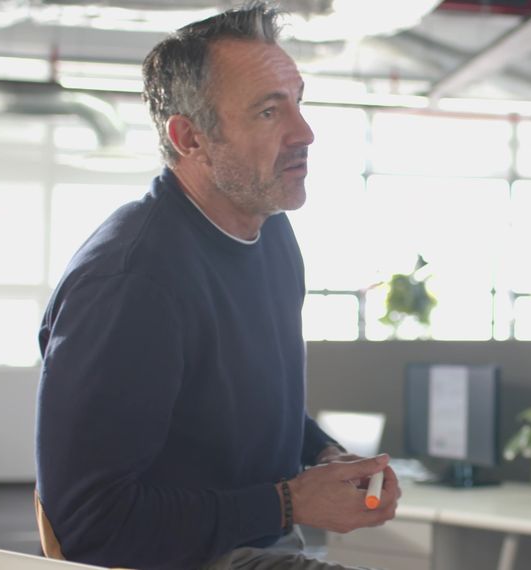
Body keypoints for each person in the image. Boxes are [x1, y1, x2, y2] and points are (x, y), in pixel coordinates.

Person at [35, 3, 400, 568]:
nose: (305, 132)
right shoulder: (133, 284)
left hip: (259, 537)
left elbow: (253, 406)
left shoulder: (270, 233)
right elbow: (92, 525)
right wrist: (289, 502)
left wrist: (325, 456)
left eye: (297, 102)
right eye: (268, 112)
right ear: (191, 138)